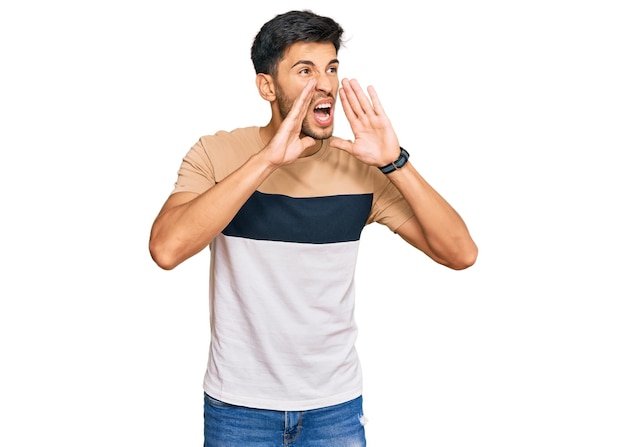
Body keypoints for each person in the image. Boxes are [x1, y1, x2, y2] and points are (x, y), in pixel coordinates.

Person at [149, 9, 478, 447]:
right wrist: (267, 161)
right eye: (305, 70)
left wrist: (393, 162)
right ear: (267, 86)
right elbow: (167, 250)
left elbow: (461, 253)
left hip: (334, 409)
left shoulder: (361, 168)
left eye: (331, 68)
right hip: (238, 408)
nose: (325, 83)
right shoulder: (217, 153)